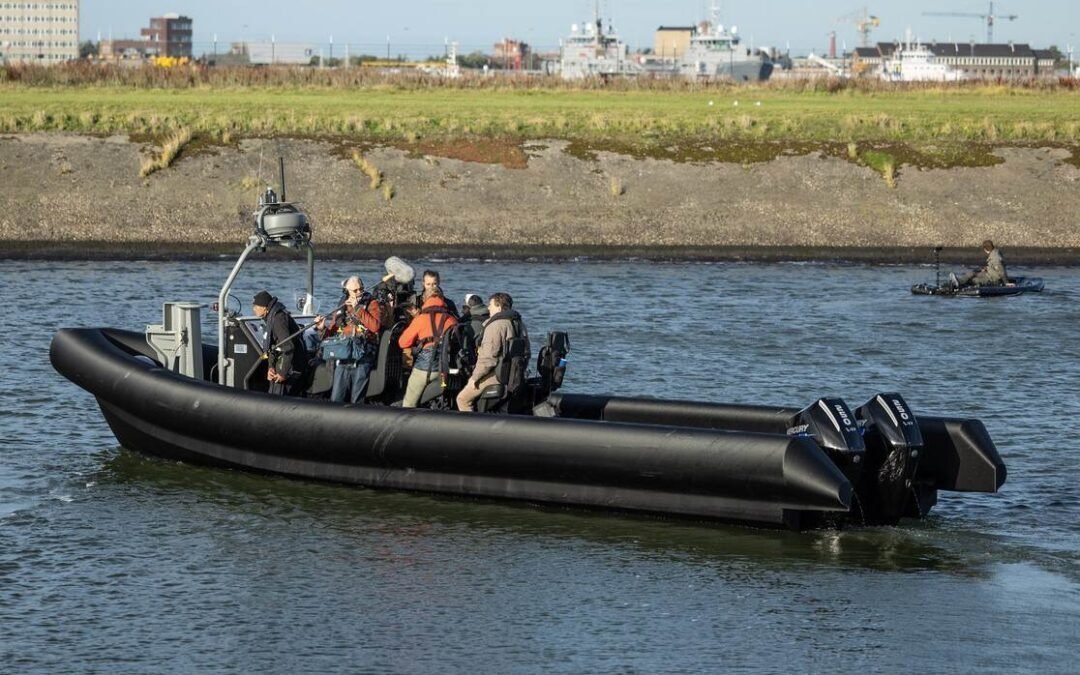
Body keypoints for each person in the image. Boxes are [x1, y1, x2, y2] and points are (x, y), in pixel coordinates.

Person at [456, 292, 531, 412]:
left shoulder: (495, 326)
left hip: (498, 375)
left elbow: (488, 359)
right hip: (516, 374)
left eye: (490, 305)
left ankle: (472, 428)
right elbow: (527, 352)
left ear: (499, 307)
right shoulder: (520, 324)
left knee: (462, 399)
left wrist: (474, 378)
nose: (488, 308)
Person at [315, 275, 382, 403]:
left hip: (363, 353)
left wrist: (358, 309)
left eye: (361, 289)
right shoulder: (342, 306)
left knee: (357, 397)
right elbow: (332, 332)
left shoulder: (372, 303)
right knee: (337, 396)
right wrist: (322, 328)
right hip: (344, 354)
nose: (359, 292)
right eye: (355, 290)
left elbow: (375, 327)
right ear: (347, 292)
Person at [397, 289, 458, 408]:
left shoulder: (420, 319)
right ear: (443, 300)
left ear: (424, 300)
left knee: (409, 402)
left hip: (424, 368)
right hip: (445, 369)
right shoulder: (451, 320)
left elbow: (402, 343)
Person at [252, 290, 309, 396]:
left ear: (264, 307)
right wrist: (271, 367)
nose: (253, 309)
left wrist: (283, 373)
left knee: (279, 395)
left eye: (256, 306)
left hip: (291, 365)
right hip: (280, 361)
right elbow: (273, 346)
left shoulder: (279, 319)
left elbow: (288, 346)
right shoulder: (270, 317)